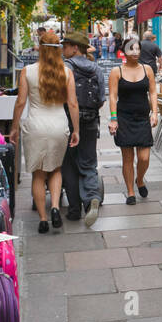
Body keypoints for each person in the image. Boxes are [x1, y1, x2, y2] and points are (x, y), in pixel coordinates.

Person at [10, 35, 78, 234]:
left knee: (38, 174)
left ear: (40, 48)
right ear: (58, 49)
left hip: (35, 126)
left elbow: (21, 102)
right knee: (56, 169)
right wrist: (76, 130)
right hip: (59, 125)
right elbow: (73, 104)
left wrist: (14, 127)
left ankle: (42, 218)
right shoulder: (66, 72)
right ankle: (55, 207)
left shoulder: (27, 72)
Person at [59, 30, 104, 226]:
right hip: (91, 120)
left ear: (75, 48)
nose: (63, 49)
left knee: (68, 163)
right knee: (88, 162)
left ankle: (74, 209)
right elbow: (102, 98)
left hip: (69, 120)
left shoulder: (65, 67)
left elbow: (61, 96)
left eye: (66, 45)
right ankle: (92, 197)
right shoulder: (96, 68)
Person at [108, 36, 159, 205]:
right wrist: (113, 119)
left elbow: (152, 92)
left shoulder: (147, 69)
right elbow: (113, 96)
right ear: (124, 52)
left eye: (138, 49)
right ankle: (130, 191)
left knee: (144, 157)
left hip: (142, 117)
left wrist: (155, 113)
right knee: (128, 158)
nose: (136, 52)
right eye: (132, 49)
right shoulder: (117, 71)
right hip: (124, 118)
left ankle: (140, 180)